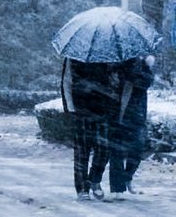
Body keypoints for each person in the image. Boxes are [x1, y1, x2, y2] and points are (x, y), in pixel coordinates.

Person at [61, 58, 120, 201]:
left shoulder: (108, 57)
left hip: (103, 109)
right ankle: (82, 188)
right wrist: (70, 107)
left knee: (104, 148)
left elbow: (116, 82)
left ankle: (95, 179)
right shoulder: (74, 57)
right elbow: (66, 81)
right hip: (82, 109)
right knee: (82, 150)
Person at [108, 55, 155, 199]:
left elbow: (146, 82)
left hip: (136, 114)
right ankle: (118, 188)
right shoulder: (112, 65)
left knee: (137, 148)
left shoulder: (141, 65)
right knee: (116, 151)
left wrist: (144, 67)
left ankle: (127, 176)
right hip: (115, 113)